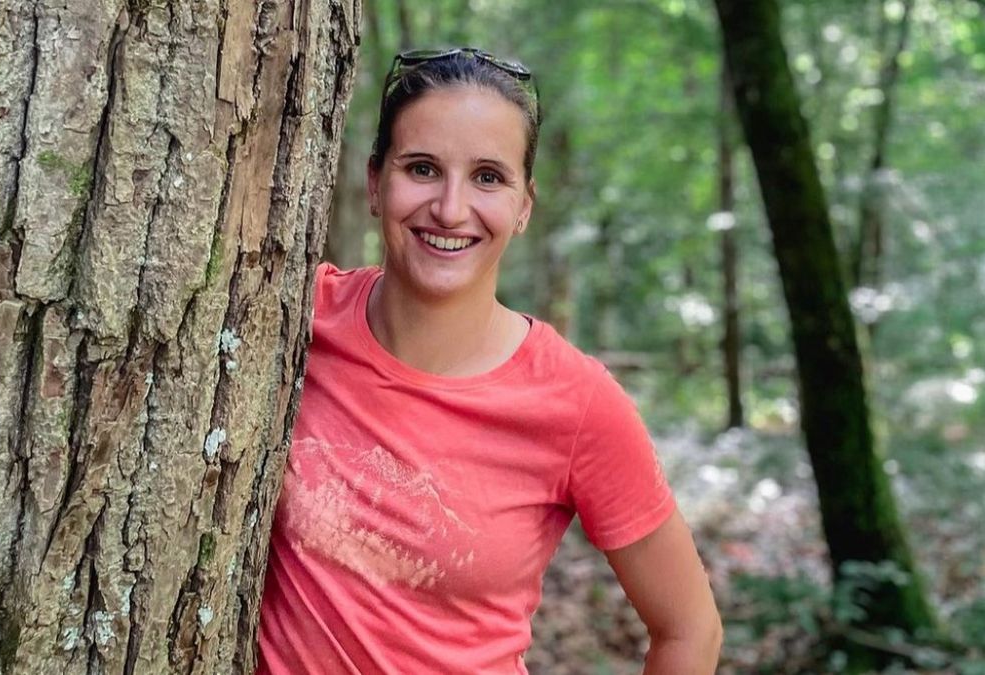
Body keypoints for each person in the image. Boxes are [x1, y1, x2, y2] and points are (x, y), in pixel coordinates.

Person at [257, 47, 722, 674]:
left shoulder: (577, 401)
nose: (450, 209)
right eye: (422, 168)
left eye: (488, 177)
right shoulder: (291, 318)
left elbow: (690, 629)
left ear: (524, 205)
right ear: (374, 183)